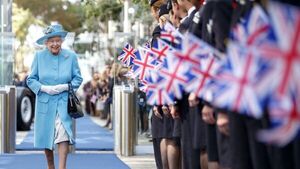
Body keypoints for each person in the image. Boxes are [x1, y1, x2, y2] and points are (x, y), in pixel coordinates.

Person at [27, 23, 83, 169]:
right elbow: (30, 79)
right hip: (45, 102)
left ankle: (62, 168)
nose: (55, 44)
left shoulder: (71, 56)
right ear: (46, 43)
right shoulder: (38, 56)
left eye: (57, 40)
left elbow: (78, 78)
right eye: (51, 41)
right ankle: (50, 166)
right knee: (47, 136)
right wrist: (44, 88)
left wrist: (66, 86)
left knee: (63, 133)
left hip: (63, 102)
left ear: (62, 41)